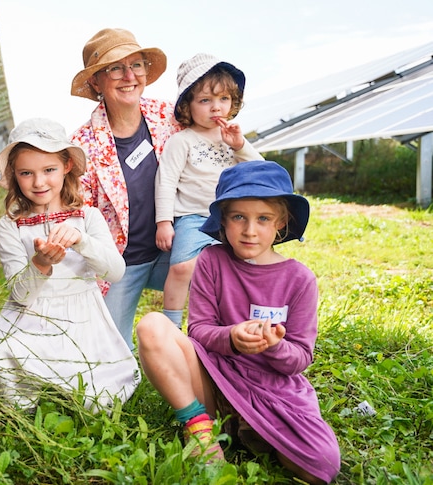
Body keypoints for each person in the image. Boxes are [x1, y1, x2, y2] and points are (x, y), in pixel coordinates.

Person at [136, 161, 340, 483]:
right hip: (215, 378)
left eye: (263, 219)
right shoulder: (212, 260)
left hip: (270, 388)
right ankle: (201, 426)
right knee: (151, 325)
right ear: (223, 220)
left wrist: (273, 346)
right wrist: (232, 337)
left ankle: (248, 427)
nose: (249, 230)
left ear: (281, 223)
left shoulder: (299, 280)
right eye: (238, 217)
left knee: (322, 466)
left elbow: (300, 358)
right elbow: (199, 330)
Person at [0, 118, 140, 411]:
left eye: (49, 170)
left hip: (82, 317)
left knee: (97, 395)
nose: (39, 183)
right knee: (13, 369)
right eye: (26, 173)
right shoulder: (11, 226)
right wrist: (39, 263)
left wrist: (81, 241)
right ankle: (24, 409)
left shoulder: (87, 218)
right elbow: (20, 295)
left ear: (66, 166)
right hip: (30, 316)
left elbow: (115, 272)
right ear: (14, 175)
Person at [70, 28, 181, 351]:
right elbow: (81, 213)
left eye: (137, 65)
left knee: (222, 279)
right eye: (116, 68)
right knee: (110, 350)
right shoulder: (83, 144)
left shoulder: (169, 117)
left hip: (171, 249)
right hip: (121, 262)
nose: (129, 76)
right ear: (95, 81)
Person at [155, 53, 262, 328]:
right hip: (194, 218)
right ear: (187, 106)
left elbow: (261, 172)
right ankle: (171, 325)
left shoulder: (233, 139)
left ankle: (234, 324)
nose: (216, 108)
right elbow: (166, 180)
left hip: (231, 218)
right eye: (205, 100)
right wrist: (164, 222)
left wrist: (240, 146)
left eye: (223, 99)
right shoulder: (182, 141)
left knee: (237, 272)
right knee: (181, 267)